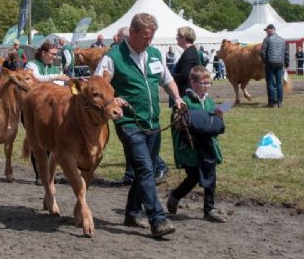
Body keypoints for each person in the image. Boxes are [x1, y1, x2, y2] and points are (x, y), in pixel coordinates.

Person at [95, 13, 183, 238]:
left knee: (148, 170)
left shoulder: (154, 54)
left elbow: (167, 79)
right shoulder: (113, 57)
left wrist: (178, 98)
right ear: (131, 33)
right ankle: (158, 219)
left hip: (153, 122)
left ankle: (132, 213)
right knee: (145, 169)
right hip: (128, 123)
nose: (149, 42)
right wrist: (113, 100)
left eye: (151, 37)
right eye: (144, 37)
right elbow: (98, 87)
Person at [167, 66, 226, 223]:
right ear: (193, 83)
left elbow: (213, 122)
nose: (207, 86)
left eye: (209, 83)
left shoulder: (210, 101)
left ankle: (209, 209)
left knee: (210, 176)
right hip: (190, 147)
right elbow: (176, 123)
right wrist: (181, 118)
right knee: (193, 177)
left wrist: (219, 117)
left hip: (207, 146)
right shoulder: (184, 101)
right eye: (203, 83)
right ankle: (175, 196)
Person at [25, 41, 70, 184]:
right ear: (43, 53)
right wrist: (55, 77)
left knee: (51, 142)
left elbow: (60, 85)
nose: (54, 57)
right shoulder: (31, 65)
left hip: (51, 109)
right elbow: (35, 79)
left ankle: (49, 173)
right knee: (36, 142)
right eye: (52, 54)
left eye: (56, 54)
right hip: (32, 109)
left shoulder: (53, 68)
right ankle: (39, 174)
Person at [260, 24, 289, 108]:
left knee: (270, 83)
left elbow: (262, 52)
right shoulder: (282, 40)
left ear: (271, 29)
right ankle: (279, 101)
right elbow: (286, 53)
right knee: (279, 83)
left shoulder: (267, 40)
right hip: (280, 64)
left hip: (270, 63)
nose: (266, 32)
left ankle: (272, 102)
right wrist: (286, 64)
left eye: (266, 30)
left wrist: (264, 62)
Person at [173, 26, 201, 96]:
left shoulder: (189, 54)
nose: (176, 38)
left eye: (178, 36)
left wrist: (170, 75)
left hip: (187, 93)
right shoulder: (190, 51)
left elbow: (184, 75)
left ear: (183, 37)